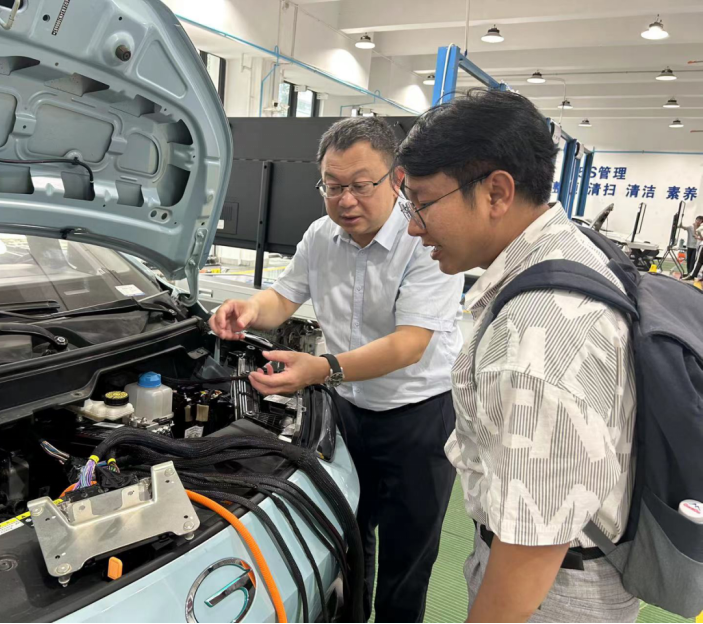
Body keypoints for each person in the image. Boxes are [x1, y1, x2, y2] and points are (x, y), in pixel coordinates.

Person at [397, 89, 639, 623]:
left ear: (497, 193)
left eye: (422, 203)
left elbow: (533, 545)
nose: (413, 226)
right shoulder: (573, 249)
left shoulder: (536, 334)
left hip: (553, 590)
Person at [209, 117, 464, 622]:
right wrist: (250, 309)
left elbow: (409, 345)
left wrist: (321, 369)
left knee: (408, 553)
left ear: (396, 178)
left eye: (360, 185)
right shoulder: (320, 236)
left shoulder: (425, 239)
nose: (345, 200)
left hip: (418, 417)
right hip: (347, 411)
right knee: (348, 532)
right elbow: (283, 298)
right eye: (332, 186)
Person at [682, 215, 703, 280]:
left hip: (698, 246)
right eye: (697, 220)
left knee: (697, 261)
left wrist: (696, 228)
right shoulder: (691, 227)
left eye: (700, 220)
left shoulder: (700, 227)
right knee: (690, 260)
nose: (698, 221)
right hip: (691, 246)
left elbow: (697, 235)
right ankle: (690, 273)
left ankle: (692, 275)